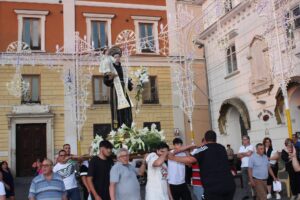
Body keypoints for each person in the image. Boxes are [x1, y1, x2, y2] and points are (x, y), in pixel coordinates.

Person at [169, 130, 235, 200]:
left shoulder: (203, 148)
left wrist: (173, 157)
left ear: (205, 139)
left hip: (214, 187)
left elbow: (191, 159)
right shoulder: (222, 147)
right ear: (215, 139)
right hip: (229, 185)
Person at [104, 47, 133, 130]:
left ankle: (128, 126)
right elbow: (106, 81)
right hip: (115, 92)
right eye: (115, 57)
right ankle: (118, 128)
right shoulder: (110, 68)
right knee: (118, 110)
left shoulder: (123, 68)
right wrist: (110, 77)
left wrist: (131, 85)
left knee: (127, 108)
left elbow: (127, 80)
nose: (117, 58)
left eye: (118, 57)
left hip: (123, 91)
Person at [237, 135, 254, 200]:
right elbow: (238, 156)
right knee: (244, 182)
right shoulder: (241, 147)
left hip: (250, 166)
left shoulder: (251, 146)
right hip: (243, 166)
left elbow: (249, 154)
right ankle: (246, 194)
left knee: (252, 180)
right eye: (243, 139)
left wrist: (242, 154)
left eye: (244, 139)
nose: (243, 141)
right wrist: (245, 153)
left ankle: (254, 194)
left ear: (248, 140)